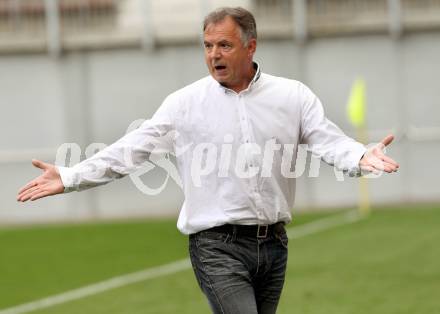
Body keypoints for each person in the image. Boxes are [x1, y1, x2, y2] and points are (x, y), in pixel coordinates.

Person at [17, 7, 399, 314]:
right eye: (207, 45)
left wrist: (362, 155)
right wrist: (70, 176)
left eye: (224, 45)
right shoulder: (185, 104)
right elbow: (132, 148)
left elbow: (326, 139)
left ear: (251, 47)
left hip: (274, 245)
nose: (213, 54)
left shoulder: (292, 96)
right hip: (217, 246)